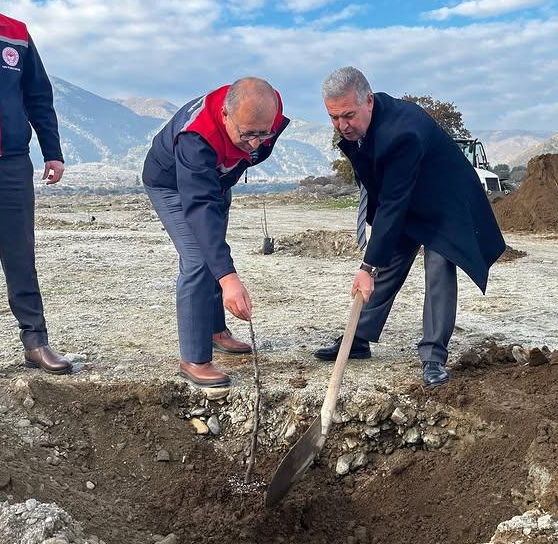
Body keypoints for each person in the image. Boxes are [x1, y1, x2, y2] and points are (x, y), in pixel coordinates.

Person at [314, 66, 505, 387]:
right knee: (386, 263)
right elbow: (386, 190)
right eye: (334, 117)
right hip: (410, 197)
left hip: (447, 203)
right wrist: (374, 260)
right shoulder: (363, 124)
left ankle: (433, 356)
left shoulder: (403, 132)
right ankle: (357, 340)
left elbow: (393, 202)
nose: (342, 125)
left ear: (369, 101)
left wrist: (366, 265)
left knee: (439, 268)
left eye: (348, 115)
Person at [142, 78, 289, 388]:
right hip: (172, 184)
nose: (255, 143)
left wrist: (247, 148)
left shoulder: (266, 112)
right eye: (247, 134)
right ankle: (194, 359)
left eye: (263, 134)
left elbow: (249, 149)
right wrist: (229, 280)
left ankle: (215, 331)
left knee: (213, 252)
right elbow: (199, 208)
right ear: (225, 115)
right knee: (197, 258)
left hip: (215, 181)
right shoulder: (196, 136)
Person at [0, 0, 72, 375]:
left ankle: (35, 342)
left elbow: (38, 94)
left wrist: (52, 151)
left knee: (21, 256)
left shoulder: (15, 32)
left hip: (13, 163)